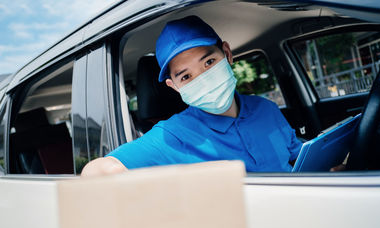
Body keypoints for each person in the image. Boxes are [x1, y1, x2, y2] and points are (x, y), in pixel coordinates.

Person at [81, 15, 303, 177]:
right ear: (174, 86)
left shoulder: (266, 109)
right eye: (186, 77)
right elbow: (96, 173)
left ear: (226, 54)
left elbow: (296, 153)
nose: (203, 79)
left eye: (209, 62)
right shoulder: (171, 136)